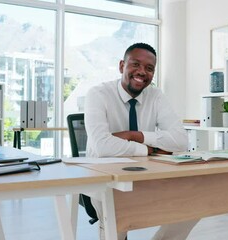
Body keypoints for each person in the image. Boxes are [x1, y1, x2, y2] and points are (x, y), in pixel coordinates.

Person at [84, 42, 198, 239]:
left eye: (149, 68)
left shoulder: (155, 96)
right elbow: (102, 146)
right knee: (117, 222)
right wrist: (150, 149)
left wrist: (134, 135)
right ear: (122, 66)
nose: (142, 71)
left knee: (192, 206)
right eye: (135, 64)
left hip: (147, 177)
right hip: (105, 181)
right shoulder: (98, 94)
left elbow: (181, 141)